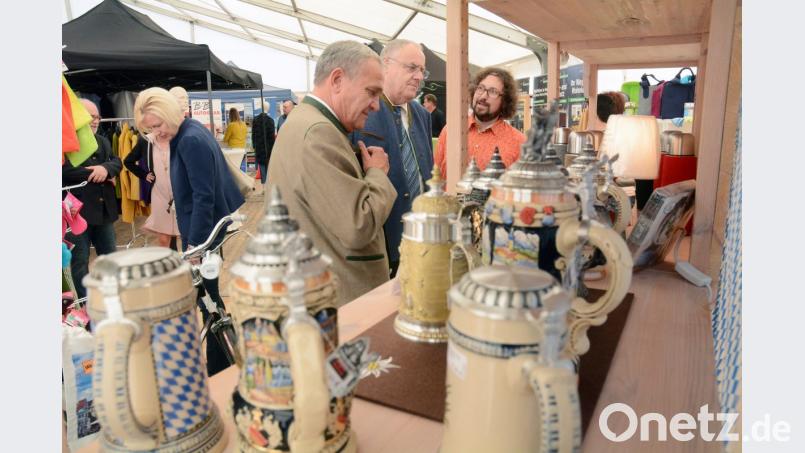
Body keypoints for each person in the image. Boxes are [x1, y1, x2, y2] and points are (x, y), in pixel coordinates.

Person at [268, 40, 397, 306]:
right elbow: (358, 226)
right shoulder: (319, 132)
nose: (375, 105)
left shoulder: (309, 122)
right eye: (371, 92)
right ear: (337, 79)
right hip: (338, 302)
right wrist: (377, 174)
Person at [134, 87, 245, 376]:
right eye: (150, 129)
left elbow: (203, 196)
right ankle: (223, 360)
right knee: (207, 299)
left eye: (157, 126)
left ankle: (222, 364)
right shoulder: (188, 131)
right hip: (202, 230)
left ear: (169, 114)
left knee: (208, 299)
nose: (156, 133)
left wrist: (194, 248)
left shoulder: (190, 139)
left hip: (203, 233)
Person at [351, 39, 433, 279]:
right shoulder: (363, 112)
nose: (419, 76)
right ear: (385, 65)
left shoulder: (421, 115)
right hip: (383, 239)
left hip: (422, 236)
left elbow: (425, 169)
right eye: (411, 68)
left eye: (422, 70)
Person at [62, 99, 122, 299]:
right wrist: (94, 172)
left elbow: (116, 161)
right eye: (90, 117)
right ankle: (86, 310)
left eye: (97, 117)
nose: (95, 121)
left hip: (103, 214)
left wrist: (105, 169)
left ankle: (114, 300)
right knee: (79, 262)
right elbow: (65, 172)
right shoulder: (65, 143)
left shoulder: (103, 140)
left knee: (110, 259)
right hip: (77, 216)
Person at [434, 67, 526, 178]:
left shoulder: (519, 142)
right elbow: (435, 175)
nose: (483, 96)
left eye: (493, 92)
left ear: (505, 101)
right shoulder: (451, 130)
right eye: (480, 88)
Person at [123, 130, 180, 250]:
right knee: (164, 237)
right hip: (159, 193)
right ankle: (169, 263)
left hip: (179, 191)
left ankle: (180, 260)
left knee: (179, 232)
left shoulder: (178, 136)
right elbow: (128, 161)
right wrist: (144, 175)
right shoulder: (146, 141)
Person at [252, 102, 275, 187]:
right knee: (268, 167)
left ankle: (264, 186)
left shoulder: (255, 119)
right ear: (268, 108)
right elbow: (272, 137)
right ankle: (268, 185)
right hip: (268, 148)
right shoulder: (270, 120)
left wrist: (254, 146)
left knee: (261, 167)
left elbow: (253, 135)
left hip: (259, 148)